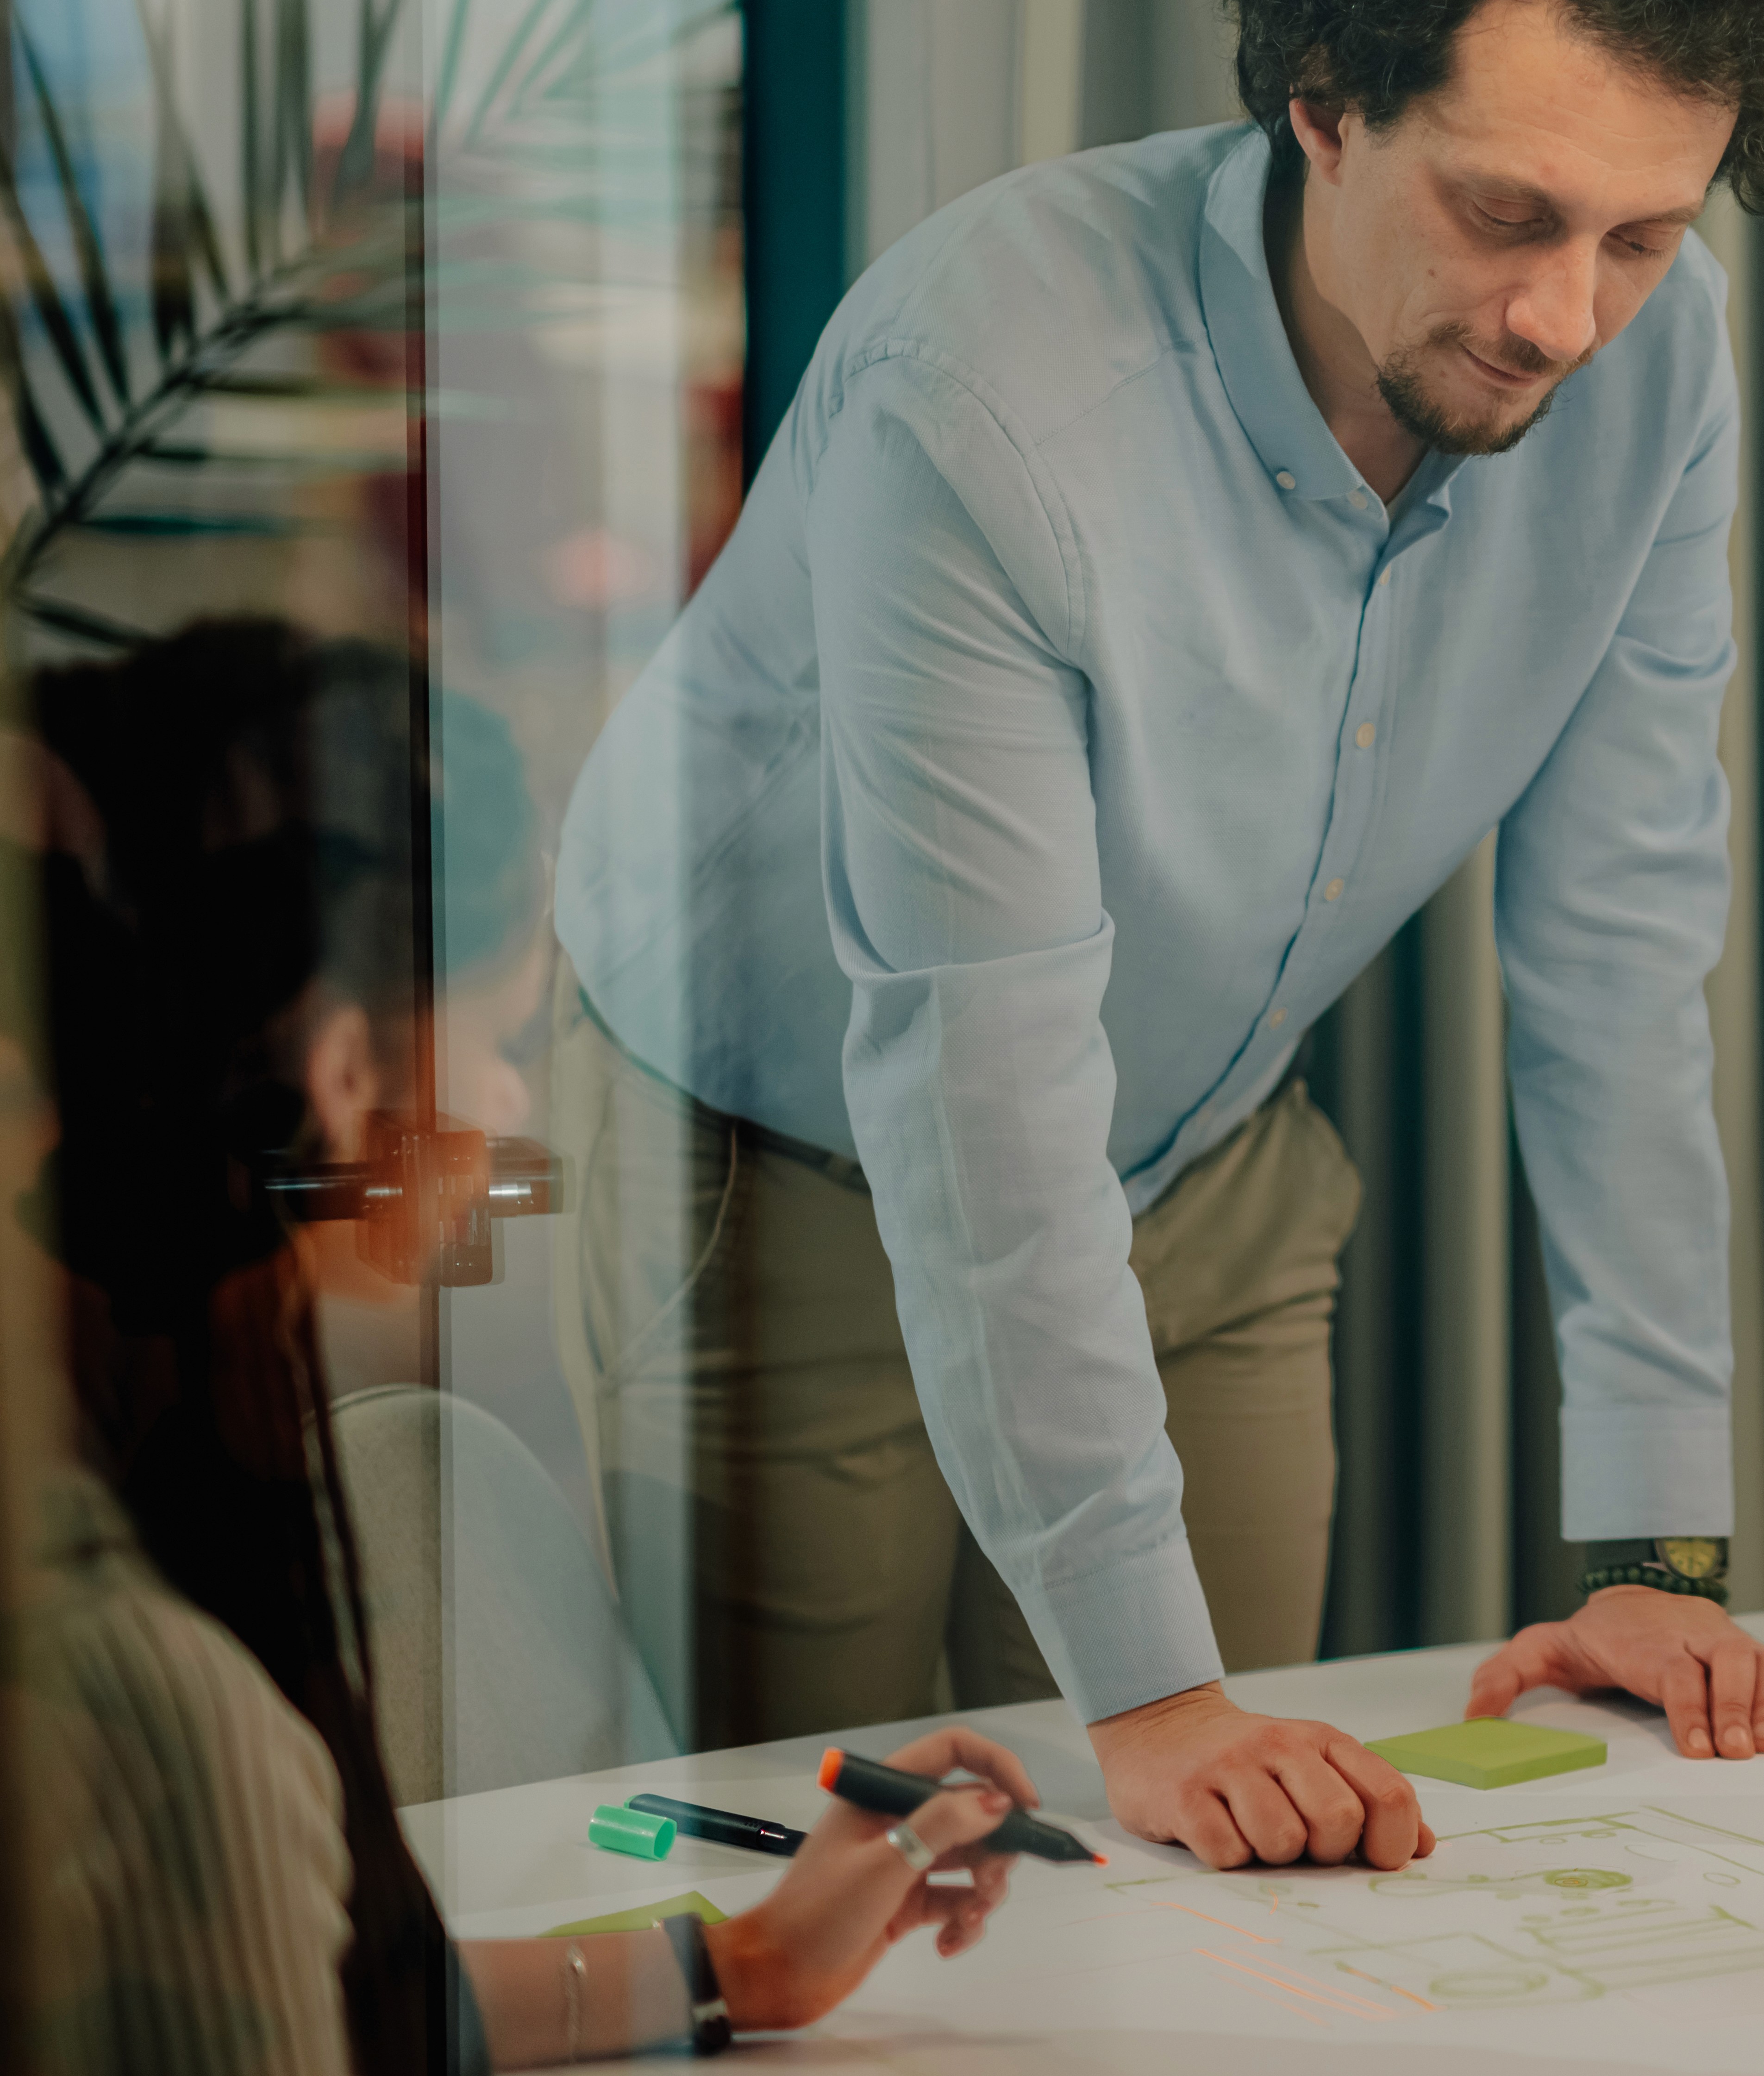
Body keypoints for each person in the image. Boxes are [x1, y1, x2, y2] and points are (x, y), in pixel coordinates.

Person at [547, 0, 1764, 1868]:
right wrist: (1147, 1697)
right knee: (835, 1895)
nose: (1563, 318)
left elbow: (1621, 951)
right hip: (787, 1170)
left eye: (1640, 234)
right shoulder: (990, 394)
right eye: (1506, 213)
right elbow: (977, 1074)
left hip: (1210, 1161)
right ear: (1321, 102)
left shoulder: (1649, 364)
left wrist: (1657, 1553)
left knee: (1230, 1873)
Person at [23, 620, 1051, 2071]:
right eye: (499, 1030)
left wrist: (735, 1961)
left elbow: (338, 1995)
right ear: (344, 1071)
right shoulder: (172, 1708)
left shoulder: (127, 1422)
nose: (511, 1094)